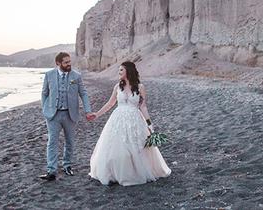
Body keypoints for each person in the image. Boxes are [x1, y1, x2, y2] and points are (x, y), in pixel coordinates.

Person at [89, 61, 171, 186]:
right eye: (119, 70)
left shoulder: (140, 87)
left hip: (135, 120)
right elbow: (110, 103)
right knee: (116, 147)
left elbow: (143, 107)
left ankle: (133, 173)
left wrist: (149, 124)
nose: (119, 72)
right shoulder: (117, 87)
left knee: (135, 148)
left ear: (129, 71)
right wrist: (97, 114)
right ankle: (114, 173)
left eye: (121, 70)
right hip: (118, 120)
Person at [39, 52, 95, 181]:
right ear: (58, 63)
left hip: (70, 115)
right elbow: (44, 93)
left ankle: (67, 166)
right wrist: (45, 109)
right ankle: (51, 171)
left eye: (70, 61)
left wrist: (88, 111)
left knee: (69, 141)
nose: (69, 64)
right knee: (52, 142)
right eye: (66, 62)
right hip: (53, 115)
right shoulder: (49, 75)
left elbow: (84, 94)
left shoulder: (76, 76)